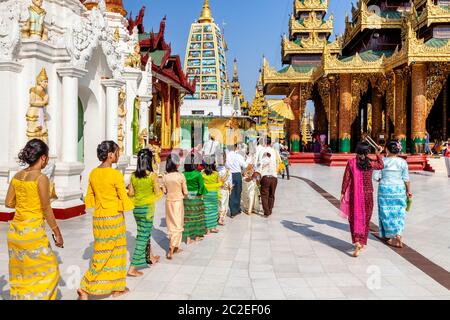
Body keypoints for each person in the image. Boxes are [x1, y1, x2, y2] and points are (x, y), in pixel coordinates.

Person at [5, 139, 63, 300]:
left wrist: (26, 202)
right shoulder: (40, 178)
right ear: (43, 158)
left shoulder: (17, 175)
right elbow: (45, 208)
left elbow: (8, 203)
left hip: (15, 233)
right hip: (33, 234)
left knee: (22, 275)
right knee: (51, 271)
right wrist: (57, 232)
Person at [78, 141, 134, 300]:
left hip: (99, 217)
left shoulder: (93, 173)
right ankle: (85, 285)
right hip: (114, 217)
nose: (119, 154)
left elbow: (90, 196)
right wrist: (129, 201)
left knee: (102, 250)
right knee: (115, 252)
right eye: (117, 152)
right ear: (110, 155)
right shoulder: (115, 174)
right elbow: (123, 196)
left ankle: (117, 288)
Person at [340, 142, 384, 258]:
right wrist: (378, 154)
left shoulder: (351, 163)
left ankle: (357, 242)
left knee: (354, 218)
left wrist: (343, 192)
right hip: (368, 194)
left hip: (355, 194)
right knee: (366, 218)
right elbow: (381, 165)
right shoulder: (370, 162)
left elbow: (346, 179)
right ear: (367, 152)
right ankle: (362, 242)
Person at [127, 149, 163, 277]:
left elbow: (130, 193)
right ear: (149, 160)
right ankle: (132, 267)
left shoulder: (133, 175)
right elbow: (158, 193)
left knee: (144, 233)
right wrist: (160, 191)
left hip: (137, 209)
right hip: (147, 209)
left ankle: (150, 257)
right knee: (143, 236)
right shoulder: (152, 175)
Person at [375, 140, 412, 249]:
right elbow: (406, 179)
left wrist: (377, 155)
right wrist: (408, 191)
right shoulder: (402, 162)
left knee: (385, 212)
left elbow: (375, 177)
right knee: (399, 212)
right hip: (399, 190)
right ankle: (398, 234)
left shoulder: (382, 161)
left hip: (385, 190)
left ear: (386, 149)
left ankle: (389, 235)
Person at [162, 153, 188, 259]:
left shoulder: (165, 176)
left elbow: (164, 191)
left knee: (171, 225)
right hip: (178, 202)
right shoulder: (180, 176)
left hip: (169, 201)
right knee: (178, 225)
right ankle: (171, 248)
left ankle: (176, 247)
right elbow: (185, 191)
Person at [183, 153, 208, 244]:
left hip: (186, 199)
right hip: (196, 198)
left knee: (188, 218)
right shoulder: (198, 174)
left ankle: (188, 238)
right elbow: (201, 187)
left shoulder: (183, 174)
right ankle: (197, 236)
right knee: (198, 217)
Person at [256, 137, 280, 218]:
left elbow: (260, 163)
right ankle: (270, 209)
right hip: (274, 176)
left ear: (264, 143)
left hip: (265, 176)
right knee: (271, 194)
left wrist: (258, 175)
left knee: (264, 194)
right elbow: (278, 162)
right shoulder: (275, 151)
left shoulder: (262, 151)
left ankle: (266, 211)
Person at [226, 144, 247, 217]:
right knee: (238, 192)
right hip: (237, 175)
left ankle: (232, 210)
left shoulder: (227, 156)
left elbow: (226, 166)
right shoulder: (238, 156)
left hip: (229, 174)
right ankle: (236, 210)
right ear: (235, 147)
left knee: (231, 192)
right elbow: (245, 165)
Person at [202, 157, 221, 234]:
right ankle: (213, 227)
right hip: (213, 193)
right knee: (214, 211)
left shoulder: (202, 173)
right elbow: (219, 183)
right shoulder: (216, 173)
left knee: (206, 210)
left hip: (206, 193)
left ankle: (207, 228)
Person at [241, 149, 260, 215]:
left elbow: (255, 171)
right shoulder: (253, 159)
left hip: (249, 179)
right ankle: (249, 209)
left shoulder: (251, 160)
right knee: (249, 195)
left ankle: (249, 209)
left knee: (249, 194)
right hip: (248, 179)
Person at [217, 153, 232, 225]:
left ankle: (218, 217)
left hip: (217, 189)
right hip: (224, 189)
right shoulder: (227, 170)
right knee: (224, 204)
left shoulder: (215, 170)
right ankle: (221, 218)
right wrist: (230, 188)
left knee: (219, 204)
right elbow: (230, 181)